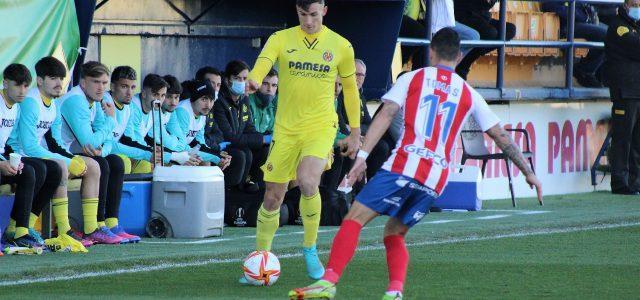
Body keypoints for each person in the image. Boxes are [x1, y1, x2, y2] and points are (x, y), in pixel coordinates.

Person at [289, 27, 543, 300]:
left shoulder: (414, 78)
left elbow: (386, 114)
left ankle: (328, 282)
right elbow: (501, 137)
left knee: (354, 219)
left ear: (430, 51)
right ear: (459, 56)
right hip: (436, 178)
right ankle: (395, 292)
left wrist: (361, 158)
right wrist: (529, 173)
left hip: (406, 163)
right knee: (394, 232)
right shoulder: (469, 93)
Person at [243, 0, 361, 282]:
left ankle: (309, 248)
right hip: (286, 130)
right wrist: (256, 78)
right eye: (303, 14)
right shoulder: (281, 39)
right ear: (297, 12)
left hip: (320, 126)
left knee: (309, 180)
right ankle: (261, 258)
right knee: (273, 197)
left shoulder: (341, 45)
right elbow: (264, 60)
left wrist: (355, 132)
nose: (308, 21)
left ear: (325, 10)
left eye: (314, 14)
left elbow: (350, 90)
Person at [8, 57, 99, 250]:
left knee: (94, 165)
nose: (59, 84)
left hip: (33, 156)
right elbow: (29, 145)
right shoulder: (31, 102)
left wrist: (69, 158)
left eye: (62, 79)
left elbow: (54, 142)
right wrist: (64, 161)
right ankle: (61, 229)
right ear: (40, 81)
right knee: (55, 167)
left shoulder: (54, 104)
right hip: (18, 154)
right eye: (53, 78)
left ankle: (95, 226)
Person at [57, 61, 133, 244]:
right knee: (101, 164)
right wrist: (111, 120)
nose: (101, 88)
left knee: (115, 161)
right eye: (96, 82)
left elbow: (103, 140)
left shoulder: (98, 100)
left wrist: (104, 148)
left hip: (69, 151)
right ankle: (95, 225)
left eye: (104, 83)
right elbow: (89, 142)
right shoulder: (76, 100)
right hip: (54, 152)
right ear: (83, 83)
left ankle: (110, 222)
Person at [0, 63, 55, 251]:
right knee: (30, 171)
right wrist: (2, 163)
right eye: (18, 85)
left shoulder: (15, 106)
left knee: (49, 169)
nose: (23, 91)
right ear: (5, 83)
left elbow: (9, 143)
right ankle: (19, 233)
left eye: (26, 86)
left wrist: (14, 160)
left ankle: (20, 230)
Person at [101, 67, 185, 174]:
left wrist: (157, 152)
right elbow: (125, 141)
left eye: (132, 87)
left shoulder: (130, 107)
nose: (129, 92)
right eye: (124, 86)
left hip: (120, 150)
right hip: (102, 151)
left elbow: (158, 140)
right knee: (124, 162)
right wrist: (172, 156)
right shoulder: (107, 102)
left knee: (148, 163)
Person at [214, 60, 270, 192]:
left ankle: (252, 184)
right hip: (223, 145)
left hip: (237, 143)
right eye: (237, 78)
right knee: (243, 154)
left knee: (265, 149)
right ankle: (232, 192)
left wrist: (265, 140)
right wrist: (262, 139)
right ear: (227, 80)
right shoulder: (219, 102)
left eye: (245, 78)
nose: (241, 82)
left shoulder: (244, 99)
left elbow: (249, 128)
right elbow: (229, 137)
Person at [603, 0, 640, 194]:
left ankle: (635, 182)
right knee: (622, 139)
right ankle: (620, 183)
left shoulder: (635, 26)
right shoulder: (619, 27)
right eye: (635, 4)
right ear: (626, 5)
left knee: (637, 141)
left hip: (637, 91)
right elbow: (636, 47)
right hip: (625, 91)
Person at [400, 0, 480, 70]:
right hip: (410, 16)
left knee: (472, 36)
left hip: (437, 18)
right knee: (423, 34)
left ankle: (445, 70)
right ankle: (428, 72)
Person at [542, 2, 607, 87]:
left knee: (613, 35)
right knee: (606, 34)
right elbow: (549, 5)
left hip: (585, 23)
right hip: (567, 26)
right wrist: (581, 16)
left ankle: (599, 75)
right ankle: (584, 71)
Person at [169, 80, 230, 168]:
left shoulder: (202, 114)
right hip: (171, 151)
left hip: (184, 149)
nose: (208, 105)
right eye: (204, 99)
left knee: (205, 161)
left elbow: (199, 144)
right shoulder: (183, 111)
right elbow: (180, 146)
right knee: (191, 160)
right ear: (193, 99)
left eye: (211, 100)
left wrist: (217, 154)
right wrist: (216, 157)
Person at [453, 0, 516, 80]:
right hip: (465, 13)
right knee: (490, 33)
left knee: (510, 29)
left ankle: (463, 64)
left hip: (482, 16)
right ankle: (462, 67)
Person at [353, 59, 392, 179]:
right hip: (345, 135)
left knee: (382, 146)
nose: (358, 78)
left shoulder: (360, 95)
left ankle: (371, 183)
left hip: (358, 135)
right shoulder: (338, 92)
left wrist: (359, 131)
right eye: (355, 74)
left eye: (361, 75)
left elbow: (369, 123)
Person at [248, 68, 278, 135]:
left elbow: (272, 132)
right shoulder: (248, 102)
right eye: (265, 84)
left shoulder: (272, 105)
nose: (269, 89)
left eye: (274, 85)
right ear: (257, 84)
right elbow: (248, 135)